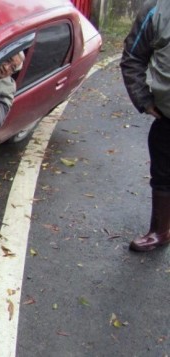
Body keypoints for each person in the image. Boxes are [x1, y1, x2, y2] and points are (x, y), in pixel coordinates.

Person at [120, 0, 170, 252]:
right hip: (167, 118)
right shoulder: (156, 10)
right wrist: (143, 99)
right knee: (163, 177)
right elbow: (132, 57)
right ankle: (160, 231)